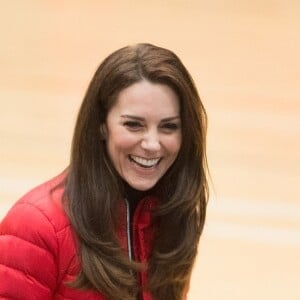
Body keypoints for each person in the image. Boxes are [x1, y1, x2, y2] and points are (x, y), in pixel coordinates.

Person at [0, 43, 208, 300]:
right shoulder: (37, 226)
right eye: (133, 125)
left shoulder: (174, 214)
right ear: (101, 125)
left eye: (168, 127)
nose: (152, 144)